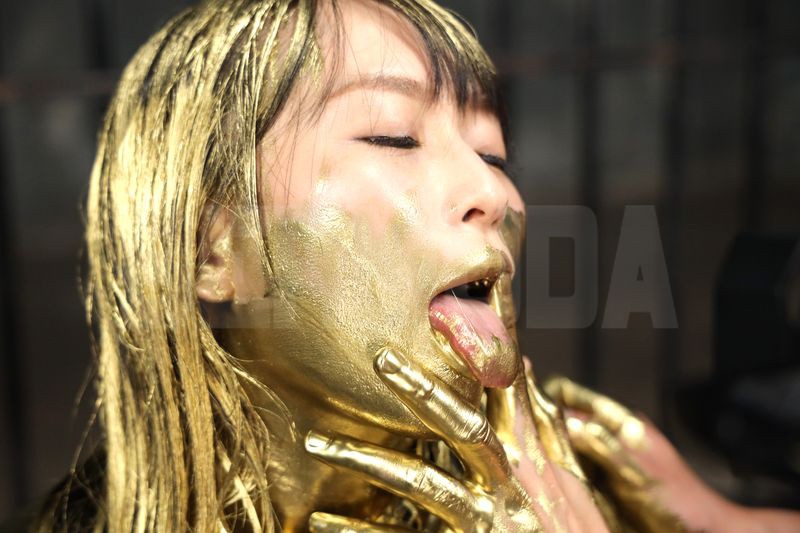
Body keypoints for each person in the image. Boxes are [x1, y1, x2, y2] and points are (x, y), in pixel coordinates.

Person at [28, 0, 800, 531]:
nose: (494, 191)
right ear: (212, 247)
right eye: (394, 137)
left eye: (493, 153)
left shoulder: (569, 475)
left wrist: (711, 520)